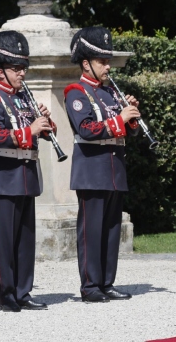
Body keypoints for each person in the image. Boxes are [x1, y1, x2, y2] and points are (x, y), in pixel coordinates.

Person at [0, 30, 53, 312]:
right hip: (3, 176)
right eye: (16, 68)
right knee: (5, 241)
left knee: (25, 240)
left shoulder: (24, 98)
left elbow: (42, 132)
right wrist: (29, 130)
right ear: (1, 71)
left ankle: (24, 291)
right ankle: (6, 293)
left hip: (26, 175)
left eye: (23, 68)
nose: (22, 73)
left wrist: (45, 122)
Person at [64, 27, 139, 303]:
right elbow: (86, 128)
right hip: (91, 169)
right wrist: (120, 119)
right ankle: (90, 286)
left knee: (110, 230)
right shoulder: (75, 91)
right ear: (86, 64)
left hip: (114, 168)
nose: (108, 66)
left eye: (107, 61)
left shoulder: (110, 93)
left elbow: (124, 131)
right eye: (102, 61)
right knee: (91, 231)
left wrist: (130, 117)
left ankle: (107, 283)